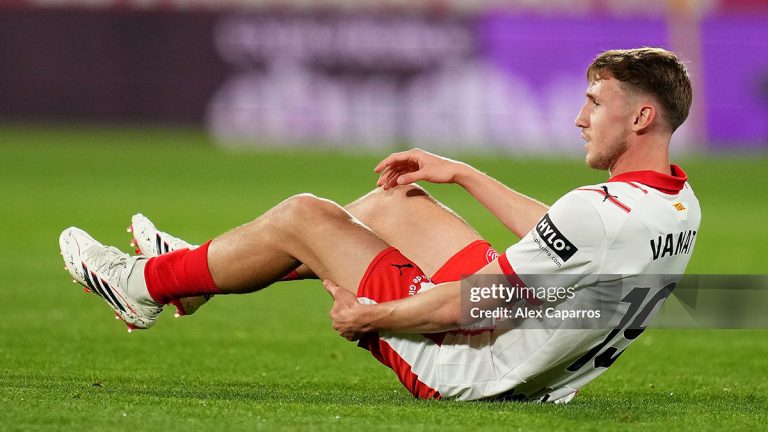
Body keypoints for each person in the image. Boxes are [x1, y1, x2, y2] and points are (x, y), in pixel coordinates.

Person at [59, 47, 700, 402]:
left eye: (594, 103)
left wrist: (370, 318)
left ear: (641, 118)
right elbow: (568, 237)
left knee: (305, 215)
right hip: (537, 359)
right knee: (394, 203)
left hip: (466, 365)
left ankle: (143, 284)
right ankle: (194, 276)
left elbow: (469, 306)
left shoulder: (595, 213)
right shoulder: (674, 204)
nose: (580, 118)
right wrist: (462, 173)